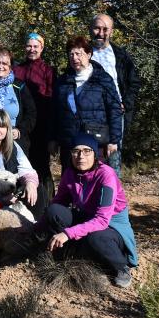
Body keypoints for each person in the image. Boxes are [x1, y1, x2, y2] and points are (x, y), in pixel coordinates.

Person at [35, 134, 138, 288]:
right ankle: (65, 255)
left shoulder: (106, 175)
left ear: (95, 154)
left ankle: (120, 266)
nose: (80, 156)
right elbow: (57, 203)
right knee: (54, 211)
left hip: (111, 226)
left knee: (96, 239)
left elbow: (102, 220)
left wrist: (68, 233)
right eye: (76, 151)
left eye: (87, 151)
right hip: (86, 219)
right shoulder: (70, 173)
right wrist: (36, 226)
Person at [50, 36, 123, 174]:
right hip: (70, 144)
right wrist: (53, 138)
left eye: (78, 53)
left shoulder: (103, 79)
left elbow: (114, 109)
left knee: (96, 181)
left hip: (96, 143)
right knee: (71, 185)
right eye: (71, 54)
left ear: (89, 54)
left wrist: (114, 140)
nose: (74, 57)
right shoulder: (62, 82)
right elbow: (55, 113)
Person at [90, 14, 141, 174]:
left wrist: (126, 103)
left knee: (113, 157)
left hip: (115, 113)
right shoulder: (82, 53)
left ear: (111, 31)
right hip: (89, 114)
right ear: (91, 29)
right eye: (97, 28)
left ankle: (113, 197)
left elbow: (134, 82)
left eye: (105, 29)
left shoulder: (120, 55)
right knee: (90, 158)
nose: (101, 33)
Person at [13, 33, 56, 203]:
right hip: (21, 127)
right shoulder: (17, 69)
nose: (32, 49)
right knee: (22, 166)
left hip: (41, 127)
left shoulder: (48, 71)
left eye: (35, 46)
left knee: (42, 167)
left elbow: (52, 101)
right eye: (29, 46)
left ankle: (47, 203)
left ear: (42, 48)